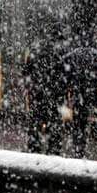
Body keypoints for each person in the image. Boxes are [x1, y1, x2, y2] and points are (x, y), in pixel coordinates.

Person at [59, 43, 97, 160]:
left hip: (78, 93)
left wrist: (67, 91)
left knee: (79, 122)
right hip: (92, 93)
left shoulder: (73, 55)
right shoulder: (95, 55)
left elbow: (67, 75)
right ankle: (95, 136)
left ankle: (78, 147)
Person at [24, 25, 66, 155]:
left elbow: (26, 73)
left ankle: (33, 149)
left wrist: (30, 89)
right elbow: (65, 75)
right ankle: (53, 152)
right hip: (54, 95)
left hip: (37, 94)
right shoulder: (61, 53)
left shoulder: (35, 50)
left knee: (35, 123)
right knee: (54, 125)